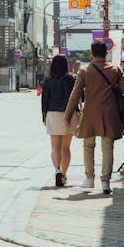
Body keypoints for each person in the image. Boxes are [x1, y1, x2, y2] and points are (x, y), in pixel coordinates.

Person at [64, 41, 124, 194]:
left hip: (89, 114)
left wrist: (68, 114)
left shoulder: (84, 70)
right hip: (109, 113)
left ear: (91, 53)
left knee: (88, 146)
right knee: (107, 147)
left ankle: (89, 179)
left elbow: (75, 94)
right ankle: (106, 182)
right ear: (106, 53)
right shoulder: (115, 69)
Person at [40, 55, 78, 187]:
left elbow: (44, 99)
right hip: (69, 114)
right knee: (66, 147)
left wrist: (44, 116)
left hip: (52, 113)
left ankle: (57, 170)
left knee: (55, 147)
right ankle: (64, 174)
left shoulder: (48, 80)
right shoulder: (71, 79)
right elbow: (78, 97)